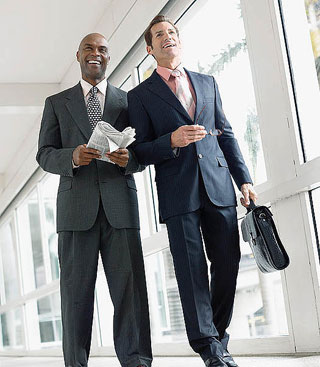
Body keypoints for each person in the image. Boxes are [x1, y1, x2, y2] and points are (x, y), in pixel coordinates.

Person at [127, 15, 257, 367]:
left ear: (179, 41)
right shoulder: (139, 96)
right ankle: (211, 350)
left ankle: (216, 338)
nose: (167, 37)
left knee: (228, 263)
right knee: (191, 272)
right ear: (150, 49)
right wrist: (170, 141)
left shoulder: (207, 82)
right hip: (177, 192)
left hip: (218, 187)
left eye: (171, 32)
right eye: (159, 35)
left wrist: (243, 179)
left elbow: (225, 133)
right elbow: (138, 151)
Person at [36, 33, 152, 367]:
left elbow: (141, 153)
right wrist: (71, 156)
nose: (95, 53)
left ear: (109, 57)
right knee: (75, 297)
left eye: (102, 49)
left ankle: (137, 362)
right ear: (77, 55)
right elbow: (44, 154)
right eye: (89, 48)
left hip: (121, 209)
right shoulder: (56, 103)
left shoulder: (128, 102)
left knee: (131, 294)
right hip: (75, 213)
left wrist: (127, 159)